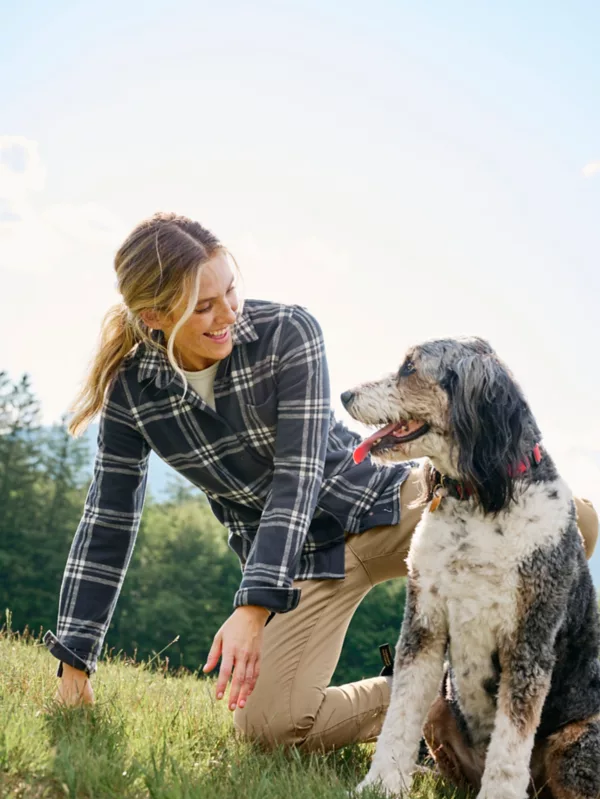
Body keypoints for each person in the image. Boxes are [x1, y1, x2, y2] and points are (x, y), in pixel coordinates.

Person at [47, 212, 599, 752]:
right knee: (270, 726)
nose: (228, 315)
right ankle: (425, 698)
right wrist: (75, 655)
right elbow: (108, 520)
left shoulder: (288, 331)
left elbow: (299, 473)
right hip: (297, 562)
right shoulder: (132, 392)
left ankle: (517, 688)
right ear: (154, 316)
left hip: (379, 502)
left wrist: (251, 607)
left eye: (230, 292)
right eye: (204, 306)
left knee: (575, 520)